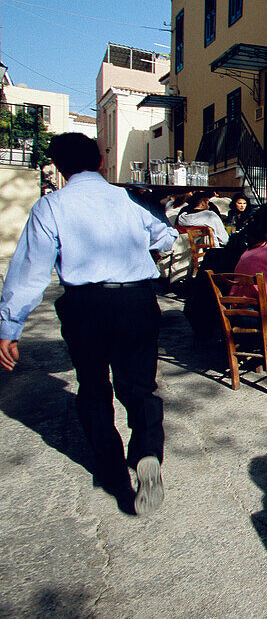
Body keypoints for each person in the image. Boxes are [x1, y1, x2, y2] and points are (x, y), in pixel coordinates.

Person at [0, 133, 177, 515]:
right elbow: (165, 240)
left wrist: (10, 327)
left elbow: (30, 271)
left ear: (59, 168)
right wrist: (150, 227)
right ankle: (147, 452)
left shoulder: (51, 206)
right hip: (135, 300)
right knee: (141, 386)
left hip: (85, 305)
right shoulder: (131, 198)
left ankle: (111, 469)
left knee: (94, 387)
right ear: (100, 160)